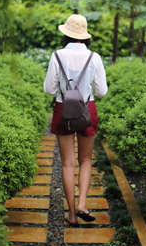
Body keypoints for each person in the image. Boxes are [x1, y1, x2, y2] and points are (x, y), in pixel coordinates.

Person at [44, 14, 108, 226]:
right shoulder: (94, 57)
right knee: (86, 160)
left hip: (63, 109)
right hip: (86, 109)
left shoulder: (57, 56)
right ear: (85, 36)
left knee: (68, 164)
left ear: (66, 34)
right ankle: (82, 204)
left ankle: (71, 215)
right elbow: (102, 92)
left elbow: (49, 89)